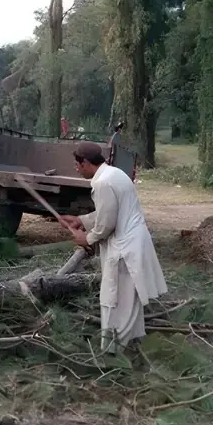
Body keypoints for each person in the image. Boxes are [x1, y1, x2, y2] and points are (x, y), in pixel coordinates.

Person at [61, 142, 167, 354]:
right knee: (128, 297)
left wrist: (86, 239)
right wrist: (80, 220)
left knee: (113, 297)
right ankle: (131, 342)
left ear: (86, 162)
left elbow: (106, 225)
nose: (76, 169)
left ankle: (110, 348)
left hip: (124, 248)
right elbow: (109, 213)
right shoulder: (114, 174)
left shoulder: (102, 183)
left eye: (77, 165)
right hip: (132, 242)